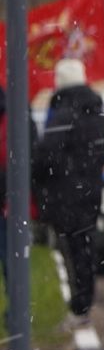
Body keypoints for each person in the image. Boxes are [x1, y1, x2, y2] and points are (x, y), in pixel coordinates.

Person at [34, 58, 104, 322]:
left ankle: (80, 304)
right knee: (84, 247)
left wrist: (51, 176)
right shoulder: (97, 112)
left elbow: (46, 155)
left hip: (66, 195)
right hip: (90, 192)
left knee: (73, 249)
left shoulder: (64, 113)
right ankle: (84, 301)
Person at [0, 83, 38, 289]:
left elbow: (27, 159)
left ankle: (16, 310)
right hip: (10, 198)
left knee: (11, 255)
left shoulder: (16, 120)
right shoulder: (16, 117)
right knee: (12, 255)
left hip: (10, 200)